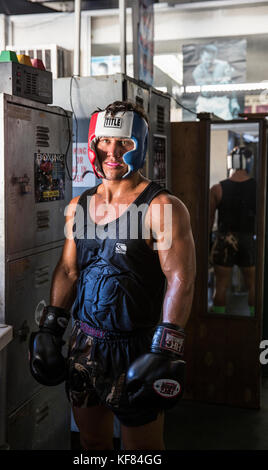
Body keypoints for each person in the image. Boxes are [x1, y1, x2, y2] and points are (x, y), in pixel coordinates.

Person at [29, 101, 196, 450]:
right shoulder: (79, 206)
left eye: (124, 143)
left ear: (140, 145)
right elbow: (68, 269)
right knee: (91, 442)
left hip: (137, 345)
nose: (112, 152)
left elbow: (180, 278)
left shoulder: (161, 207)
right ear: (92, 143)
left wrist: (165, 349)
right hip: (85, 342)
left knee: (142, 450)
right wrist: (50, 326)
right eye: (104, 141)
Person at [209, 145, 256, 315]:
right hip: (249, 239)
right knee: (253, 285)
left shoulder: (217, 189)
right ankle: (254, 326)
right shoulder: (258, 188)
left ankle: (217, 327)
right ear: (248, 163)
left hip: (224, 240)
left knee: (220, 286)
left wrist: (207, 245)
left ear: (230, 163)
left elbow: (209, 221)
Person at [192, 44, 240, 120]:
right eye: (206, 59)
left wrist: (234, 101)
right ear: (201, 57)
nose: (209, 62)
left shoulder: (224, 65)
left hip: (222, 103)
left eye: (211, 59)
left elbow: (231, 84)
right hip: (205, 104)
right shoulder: (197, 71)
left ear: (215, 57)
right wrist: (221, 84)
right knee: (202, 128)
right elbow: (206, 92)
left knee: (225, 128)